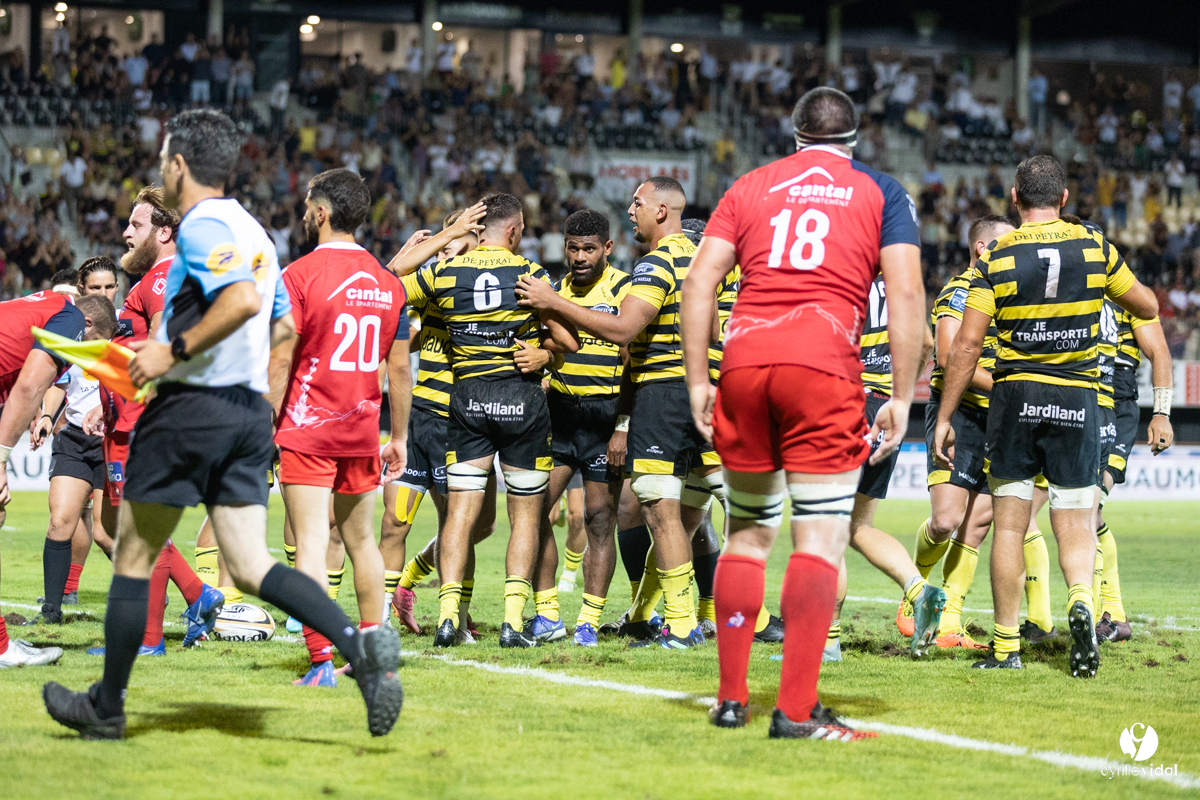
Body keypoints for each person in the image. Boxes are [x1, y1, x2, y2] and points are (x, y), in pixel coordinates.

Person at [42, 109, 403, 739]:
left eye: (164, 158)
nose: (161, 166)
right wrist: (246, 389)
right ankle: (363, 654)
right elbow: (280, 326)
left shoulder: (205, 224)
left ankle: (107, 708)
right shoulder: (256, 232)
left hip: (188, 409)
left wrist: (172, 353)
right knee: (251, 564)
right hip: (243, 413)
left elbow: (238, 300)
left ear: (178, 164)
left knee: (132, 554)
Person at [681, 87, 924, 738]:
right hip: (822, 367)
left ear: (795, 136)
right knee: (818, 538)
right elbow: (905, 293)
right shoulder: (881, 192)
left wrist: (699, 380)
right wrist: (902, 396)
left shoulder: (751, 185)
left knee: (747, 535)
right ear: (853, 140)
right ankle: (793, 711)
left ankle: (731, 700)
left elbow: (699, 281)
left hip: (744, 364)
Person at [933, 155, 1159, 677]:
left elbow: (966, 347)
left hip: (1015, 399)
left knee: (1010, 527)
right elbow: (1146, 306)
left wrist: (944, 415)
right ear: (1063, 198)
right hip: (1078, 396)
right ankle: (1081, 600)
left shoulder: (997, 256)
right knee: (1076, 522)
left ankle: (1005, 647)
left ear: (1014, 198)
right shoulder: (1094, 248)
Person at [517, 178, 723, 650]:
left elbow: (624, 331)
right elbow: (712, 329)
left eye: (638, 203)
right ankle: (698, 619)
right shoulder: (701, 259)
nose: (631, 210)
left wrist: (553, 302)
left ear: (662, 211)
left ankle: (680, 623)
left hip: (657, 398)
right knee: (711, 506)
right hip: (698, 391)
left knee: (655, 509)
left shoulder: (652, 265)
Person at [401, 192, 580, 648]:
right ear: (515, 231)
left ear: (476, 229)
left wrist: (448, 233)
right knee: (525, 517)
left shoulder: (445, 271)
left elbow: (392, 279)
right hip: (520, 400)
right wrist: (544, 350)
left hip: (467, 402)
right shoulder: (530, 274)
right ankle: (512, 623)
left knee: (458, 516)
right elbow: (569, 340)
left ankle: (447, 619)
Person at [271, 168, 410, 687]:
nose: (304, 214)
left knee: (310, 546)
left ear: (322, 212)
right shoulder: (388, 283)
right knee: (363, 543)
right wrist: (399, 437)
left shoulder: (298, 275)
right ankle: (373, 654)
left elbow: (280, 360)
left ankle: (321, 662)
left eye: (309, 205)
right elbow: (400, 369)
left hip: (307, 427)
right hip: (362, 429)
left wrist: (265, 422)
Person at [898, 215, 1014, 650]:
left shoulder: (1009, 294)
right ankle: (915, 589)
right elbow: (948, 358)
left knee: (978, 524)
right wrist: (1008, 387)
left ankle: (949, 621)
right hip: (959, 413)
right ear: (982, 248)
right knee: (946, 521)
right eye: (1007, 244)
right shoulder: (961, 290)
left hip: (998, 421)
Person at [519, 209, 627, 646]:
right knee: (533, 511)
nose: (580, 257)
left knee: (599, 520)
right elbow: (544, 345)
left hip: (605, 418)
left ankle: (588, 622)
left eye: (589, 249)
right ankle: (547, 614)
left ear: (607, 248)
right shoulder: (551, 291)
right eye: (573, 248)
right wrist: (546, 361)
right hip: (559, 414)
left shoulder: (625, 289)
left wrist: (623, 425)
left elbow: (632, 361)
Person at [825, 275, 944, 662]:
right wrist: (901, 393)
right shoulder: (899, 280)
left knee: (826, 523)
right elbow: (926, 343)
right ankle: (919, 591)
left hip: (844, 404)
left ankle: (827, 643)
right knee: (857, 525)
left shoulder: (843, 274)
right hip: (886, 408)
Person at [0, 289, 99, 667]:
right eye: (90, 348)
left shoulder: (40, 307)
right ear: (86, 325)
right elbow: (30, 386)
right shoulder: (70, 319)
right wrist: (1, 460)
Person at [25, 259, 120, 626]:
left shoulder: (129, 329)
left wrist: (106, 408)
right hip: (76, 439)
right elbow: (59, 382)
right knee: (61, 521)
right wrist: (48, 417)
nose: (104, 293)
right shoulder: (72, 328)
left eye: (109, 286)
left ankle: (154, 595)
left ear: (117, 287)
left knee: (105, 534)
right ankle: (52, 611)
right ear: (83, 289)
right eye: (96, 287)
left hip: (113, 442)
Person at [1094, 299, 1175, 642]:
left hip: (1116, 402)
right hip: (1074, 395)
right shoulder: (1065, 284)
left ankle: (1108, 615)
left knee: (1090, 506)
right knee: (1067, 510)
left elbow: (1159, 352)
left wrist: (1162, 413)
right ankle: (1045, 620)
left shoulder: (1128, 293)